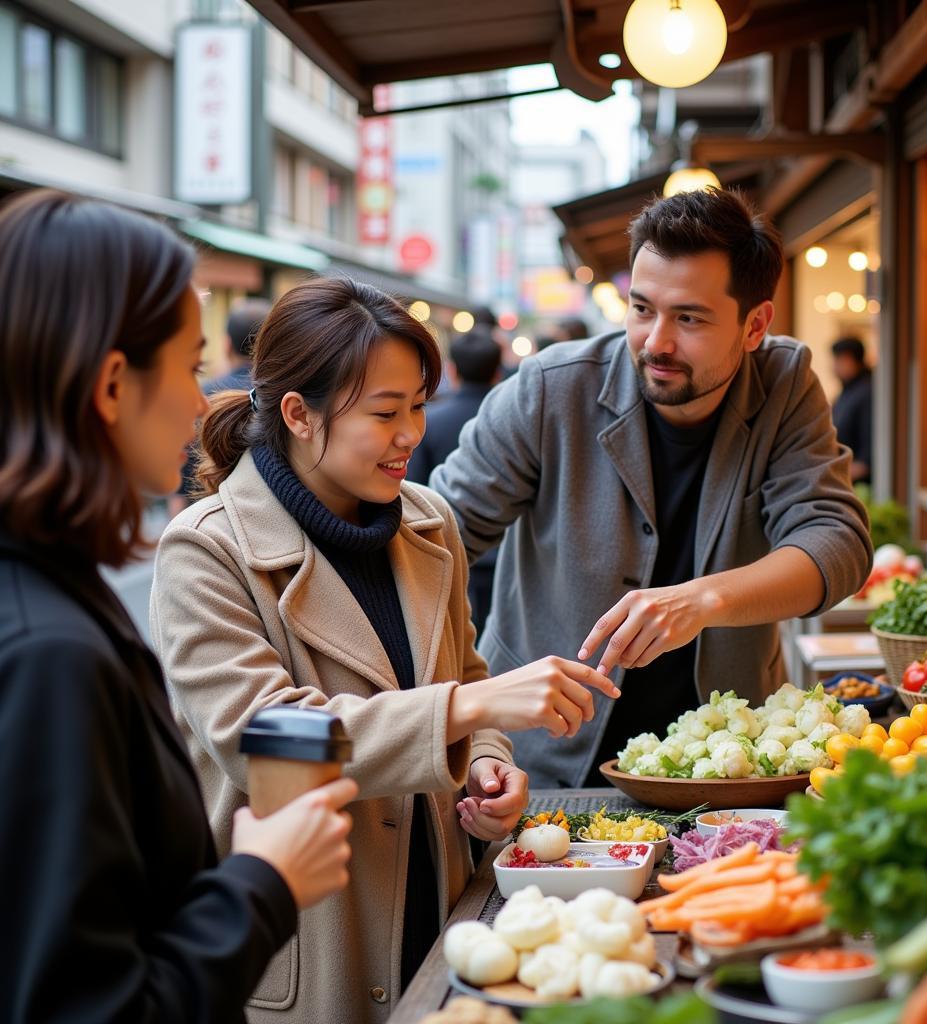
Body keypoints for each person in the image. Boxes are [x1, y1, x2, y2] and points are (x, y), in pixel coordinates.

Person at [148, 275, 619, 1024]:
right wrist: (472, 708)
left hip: (447, 914)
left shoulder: (427, 520)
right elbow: (260, 737)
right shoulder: (206, 551)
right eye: (385, 412)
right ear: (299, 414)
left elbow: (462, 669)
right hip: (316, 941)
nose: (412, 434)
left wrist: (490, 762)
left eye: (419, 407)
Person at [0, 189, 356, 1023]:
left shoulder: (50, 588)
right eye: (191, 365)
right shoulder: (46, 649)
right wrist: (262, 882)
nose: (203, 403)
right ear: (113, 384)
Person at [430, 187, 872, 789]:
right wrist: (469, 712)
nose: (655, 341)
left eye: (688, 318)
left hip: (726, 765)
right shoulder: (550, 388)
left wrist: (703, 600)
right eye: (641, 309)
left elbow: (837, 542)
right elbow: (432, 538)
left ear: (754, 325)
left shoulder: (783, 382)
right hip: (544, 764)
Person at [408, 327, 503, 631]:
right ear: (497, 372)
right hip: (505, 556)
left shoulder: (430, 420)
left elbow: (414, 488)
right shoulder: (510, 420)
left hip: (447, 546)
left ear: (452, 370)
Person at [172, 297, 273, 513]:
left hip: (200, 514)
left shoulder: (202, 395)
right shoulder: (283, 397)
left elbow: (182, 479)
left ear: (226, 345)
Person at [830, 336, 873, 485]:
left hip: (859, 483)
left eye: (837, 361)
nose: (833, 367)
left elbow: (868, 454)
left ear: (848, 359)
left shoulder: (866, 392)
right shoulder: (848, 391)